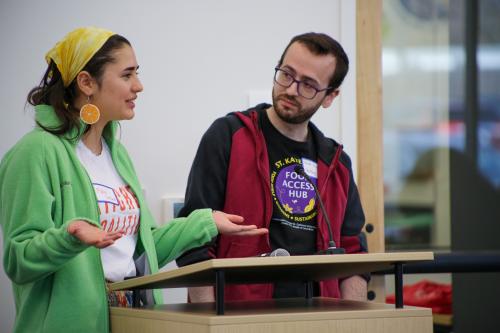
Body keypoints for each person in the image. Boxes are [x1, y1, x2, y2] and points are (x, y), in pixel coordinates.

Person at [0, 27, 267, 333]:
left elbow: (142, 248)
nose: (138, 86)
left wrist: (205, 222)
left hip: (132, 311)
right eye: (126, 75)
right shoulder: (35, 152)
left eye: (136, 74)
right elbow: (18, 260)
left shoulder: (117, 154)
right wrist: (68, 237)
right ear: (86, 82)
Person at [176, 32, 368, 302]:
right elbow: (195, 236)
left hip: (320, 316)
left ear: (330, 96)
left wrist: (352, 323)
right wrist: (210, 319)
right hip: (238, 313)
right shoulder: (229, 136)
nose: (291, 89)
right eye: (286, 74)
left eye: (309, 85)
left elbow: (353, 254)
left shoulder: (336, 163)